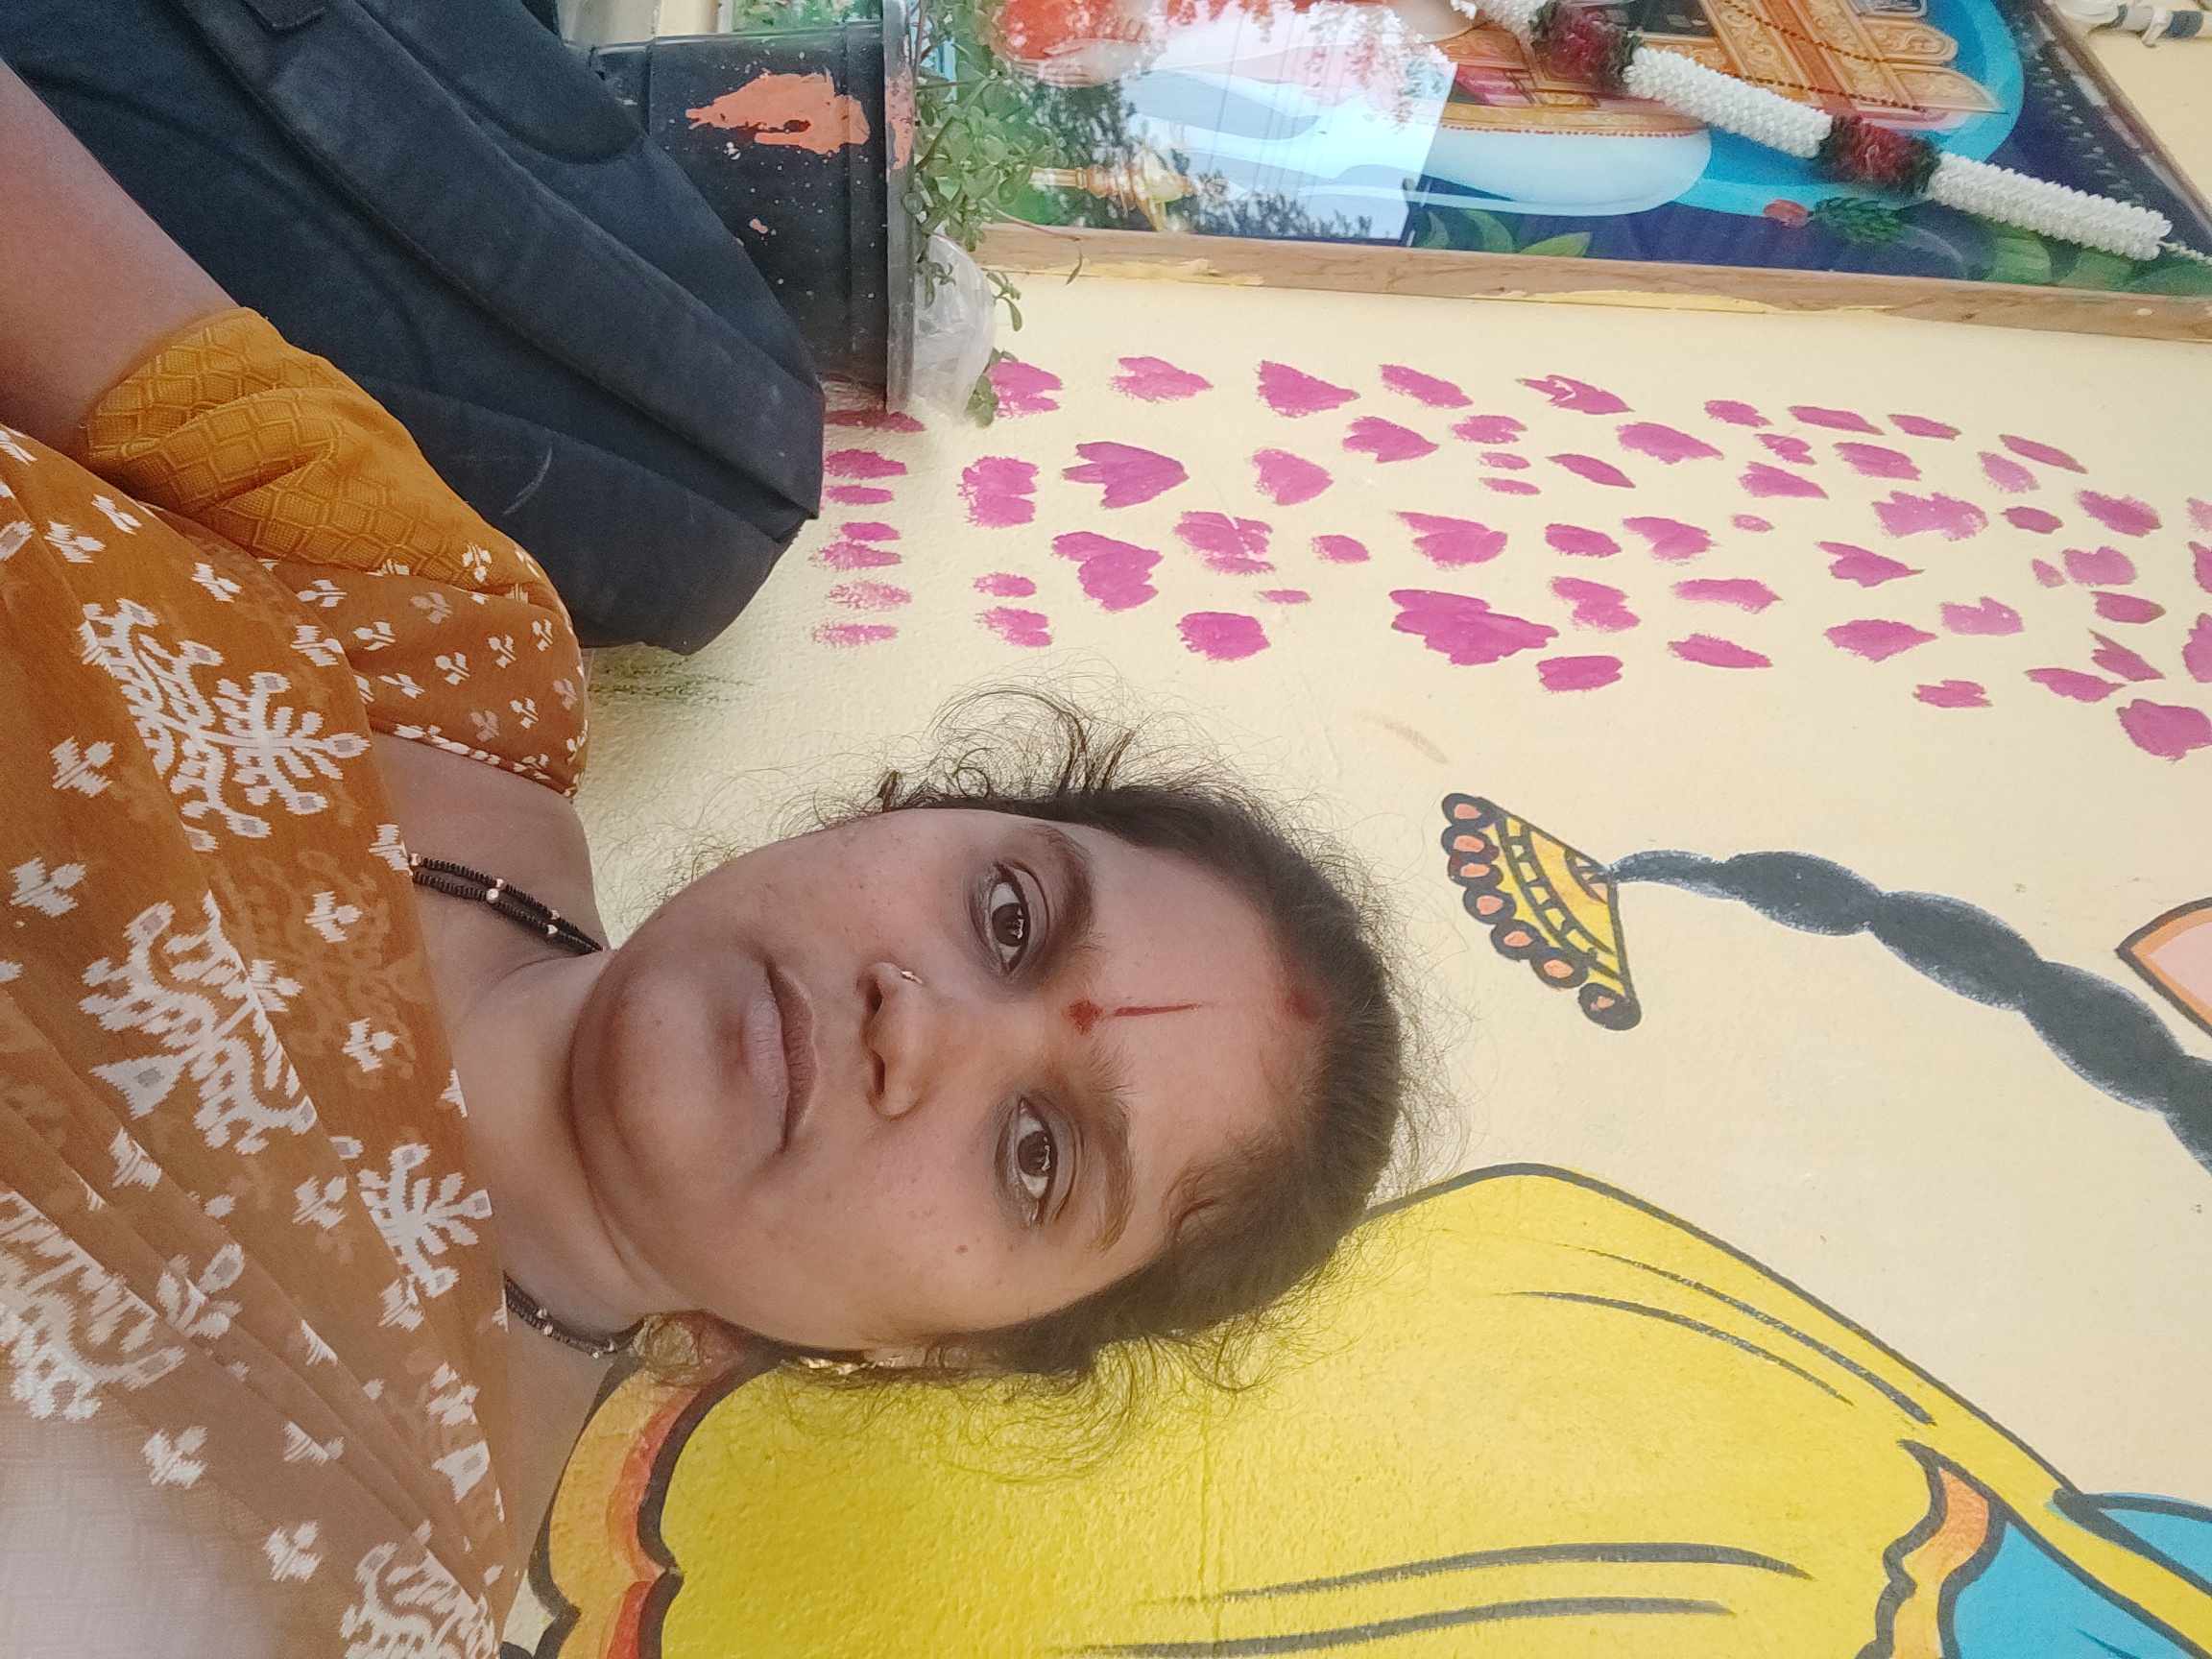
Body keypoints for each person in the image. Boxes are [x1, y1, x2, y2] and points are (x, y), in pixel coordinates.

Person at [0, 61, 1407, 1656]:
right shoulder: (441, 633)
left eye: (1037, 1154)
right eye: (1008, 914)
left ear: (938, 1350)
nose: (917, 1025)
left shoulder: (333, 1572)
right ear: (888, 818)